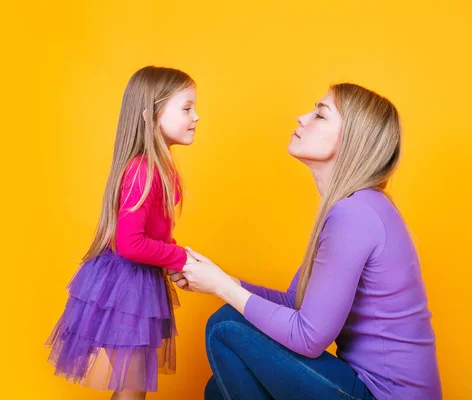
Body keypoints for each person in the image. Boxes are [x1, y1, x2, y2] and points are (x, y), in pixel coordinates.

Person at [169, 83, 441, 399]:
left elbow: (308, 337)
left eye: (320, 115)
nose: (301, 117)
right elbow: (295, 304)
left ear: (352, 140)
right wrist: (222, 277)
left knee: (226, 327)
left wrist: (220, 287)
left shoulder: (355, 214)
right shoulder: (356, 207)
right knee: (218, 390)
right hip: (363, 386)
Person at [46, 65, 200, 400]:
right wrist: (180, 256)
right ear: (150, 115)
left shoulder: (162, 168)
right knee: (131, 392)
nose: (196, 116)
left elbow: (152, 234)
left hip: (137, 285)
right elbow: (129, 243)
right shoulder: (142, 170)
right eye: (186, 108)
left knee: (133, 391)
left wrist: (175, 260)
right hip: (124, 288)